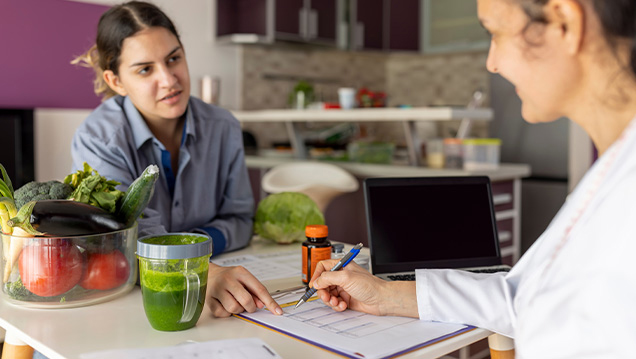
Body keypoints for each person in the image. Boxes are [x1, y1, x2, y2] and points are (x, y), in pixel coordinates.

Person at [310, 0, 636, 357]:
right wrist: (384, 295)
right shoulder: (614, 172)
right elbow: (521, 300)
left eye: (495, 33)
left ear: (563, 23)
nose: (491, 63)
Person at [71, 1, 282, 318]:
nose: (169, 80)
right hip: (127, 301)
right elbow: (123, 241)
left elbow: (239, 221)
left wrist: (190, 248)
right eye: (145, 69)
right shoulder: (98, 140)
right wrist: (199, 268)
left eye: (174, 59)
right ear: (116, 81)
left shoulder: (223, 127)